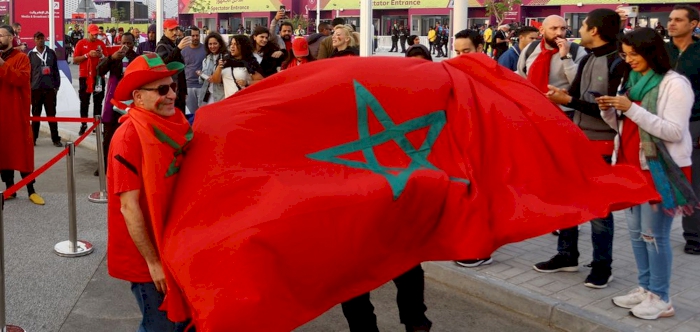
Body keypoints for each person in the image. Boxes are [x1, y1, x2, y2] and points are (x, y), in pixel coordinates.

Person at [599, 28, 694, 320]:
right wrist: (610, 111)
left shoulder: (675, 84)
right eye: (625, 55)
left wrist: (630, 109)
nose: (628, 60)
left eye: (633, 54)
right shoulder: (633, 80)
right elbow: (625, 127)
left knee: (656, 236)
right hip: (631, 166)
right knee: (638, 235)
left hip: (660, 170)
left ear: (651, 51)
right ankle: (645, 288)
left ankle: (662, 298)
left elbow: (673, 132)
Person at [538, 9, 627, 289]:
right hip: (576, 138)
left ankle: (602, 266)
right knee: (568, 197)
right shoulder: (588, 57)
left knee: (600, 208)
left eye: (584, 25)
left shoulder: (618, 63)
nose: (579, 30)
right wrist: (560, 98)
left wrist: (568, 100)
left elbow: (610, 109)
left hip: (602, 143)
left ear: (596, 31)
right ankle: (567, 255)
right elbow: (575, 96)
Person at [107, 53, 191, 332]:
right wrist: (153, 263)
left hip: (175, 246)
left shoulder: (177, 123)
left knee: (182, 322)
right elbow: (128, 207)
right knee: (160, 327)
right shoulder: (127, 137)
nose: (171, 96)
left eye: (173, 87)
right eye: (162, 89)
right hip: (147, 256)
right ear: (138, 97)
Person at [665, 5, 700, 255]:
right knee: (660, 179)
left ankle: (694, 236)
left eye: (678, 20)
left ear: (693, 24)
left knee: (694, 183)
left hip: (694, 123)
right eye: (670, 19)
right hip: (661, 123)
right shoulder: (662, 51)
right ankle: (655, 230)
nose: (672, 23)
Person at [0, 25, 44, 205]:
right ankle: (10, 188)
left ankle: (31, 189)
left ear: (10, 37)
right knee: (3, 152)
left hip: (16, 113)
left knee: (23, 151)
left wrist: (2, 65)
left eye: (1, 35)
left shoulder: (21, 58)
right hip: (1, 115)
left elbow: (20, 79)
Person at [517, 15, 587, 119]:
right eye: (554, 28)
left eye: (563, 28)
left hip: (565, 113)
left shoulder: (577, 51)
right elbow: (522, 76)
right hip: (532, 110)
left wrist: (566, 57)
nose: (559, 33)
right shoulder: (531, 48)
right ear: (542, 30)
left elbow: (581, 84)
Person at [96, 32, 138, 176]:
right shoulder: (114, 56)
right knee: (108, 137)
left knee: (128, 137)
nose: (126, 46)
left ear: (134, 43)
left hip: (131, 103)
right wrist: (111, 58)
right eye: (124, 43)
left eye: (129, 43)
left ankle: (124, 166)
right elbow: (99, 70)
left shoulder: (137, 58)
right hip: (113, 102)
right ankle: (104, 166)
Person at [28, 31, 62, 147]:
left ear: (45, 39)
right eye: (38, 38)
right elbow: (29, 73)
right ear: (34, 40)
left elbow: (56, 71)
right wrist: (29, 88)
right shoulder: (30, 55)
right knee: (35, 115)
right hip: (36, 89)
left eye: (42, 38)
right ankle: (33, 139)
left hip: (49, 89)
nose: (40, 40)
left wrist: (56, 87)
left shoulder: (51, 53)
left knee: (51, 115)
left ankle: (56, 139)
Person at [74, 24, 107, 135]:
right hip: (85, 77)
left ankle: (96, 125)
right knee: (84, 101)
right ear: (88, 33)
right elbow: (75, 60)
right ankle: (83, 124)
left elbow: (107, 59)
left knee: (98, 102)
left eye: (96, 34)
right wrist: (87, 55)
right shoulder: (81, 43)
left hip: (98, 77)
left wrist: (101, 55)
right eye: (93, 34)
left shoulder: (101, 44)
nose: (95, 36)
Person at [156, 19, 190, 115]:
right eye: (171, 30)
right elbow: (163, 65)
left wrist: (184, 91)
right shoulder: (162, 46)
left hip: (179, 90)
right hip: (170, 90)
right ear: (164, 31)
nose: (175, 33)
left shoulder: (172, 44)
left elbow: (180, 71)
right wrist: (178, 48)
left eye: (176, 29)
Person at [181, 26, 206, 115]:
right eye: (193, 36)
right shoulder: (183, 50)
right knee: (192, 114)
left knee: (203, 114)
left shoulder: (206, 49)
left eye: (197, 35)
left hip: (202, 86)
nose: (195, 38)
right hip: (188, 87)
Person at [197, 32, 227, 106]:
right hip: (208, 95)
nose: (212, 46)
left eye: (215, 43)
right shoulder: (206, 59)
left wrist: (215, 78)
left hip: (221, 96)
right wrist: (201, 75)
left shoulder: (226, 58)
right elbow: (202, 81)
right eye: (210, 44)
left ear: (220, 44)